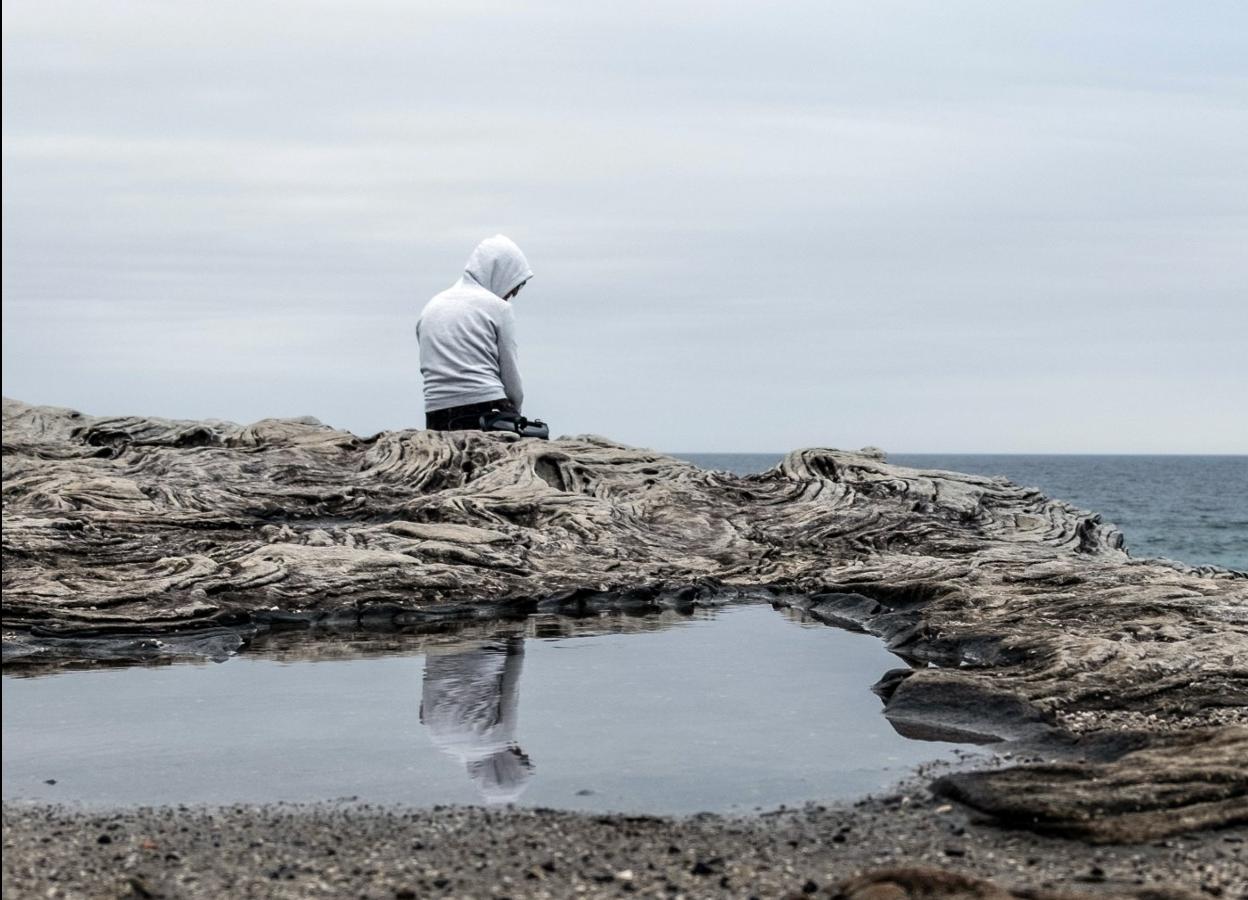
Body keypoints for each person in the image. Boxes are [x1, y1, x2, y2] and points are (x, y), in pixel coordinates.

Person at [417, 235, 533, 431]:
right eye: (514, 287)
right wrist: (515, 415)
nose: (511, 295)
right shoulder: (498, 307)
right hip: (486, 410)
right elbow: (512, 383)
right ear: (500, 273)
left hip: (436, 414)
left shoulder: (430, 307)